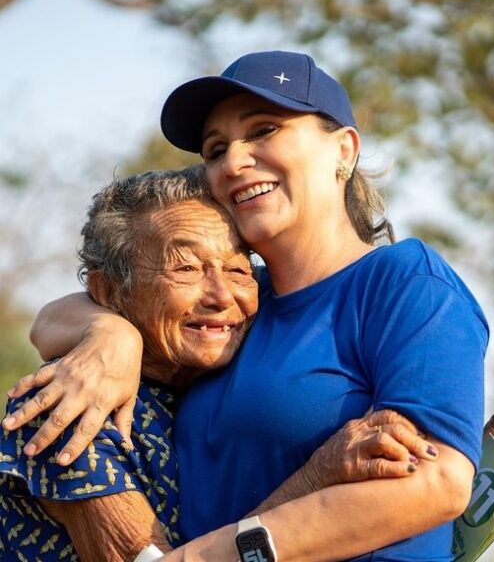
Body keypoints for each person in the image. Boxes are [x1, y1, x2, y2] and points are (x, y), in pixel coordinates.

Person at [4, 51, 488, 560]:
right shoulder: (233, 307)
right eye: (215, 150)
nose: (234, 162)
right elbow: (57, 317)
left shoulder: (403, 283)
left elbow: (436, 482)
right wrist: (111, 335)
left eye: (264, 130)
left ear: (343, 150)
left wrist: (199, 558)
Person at [0, 167, 430, 562]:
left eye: (239, 269)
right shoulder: (69, 405)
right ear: (109, 291)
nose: (223, 297)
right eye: (185, 268)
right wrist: (316, 481)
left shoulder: (234, 349)